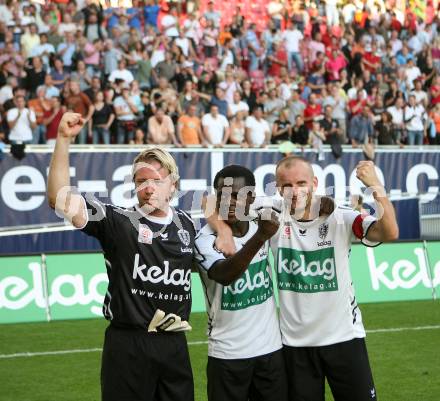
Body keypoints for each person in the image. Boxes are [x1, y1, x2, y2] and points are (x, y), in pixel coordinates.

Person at [213, 156, 399, 401]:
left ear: (314, 183)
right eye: (286, 185)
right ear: (278, 188)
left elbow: (390, 232)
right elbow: (214, 202)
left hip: (345, 339)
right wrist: (224, 229)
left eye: (301, 183)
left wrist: (375, 185)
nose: (294, 191)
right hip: (295, 346)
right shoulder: (271, 212)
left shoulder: (342, 216)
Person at [47, 113, 196, 401]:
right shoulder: (117, 221)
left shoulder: (189, 225)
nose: (148, 187)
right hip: (128, 344)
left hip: (174, 345)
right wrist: (64, 139)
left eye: (156, 180)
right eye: (141, 181)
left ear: (173, 184)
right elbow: (59, 199)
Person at [195, 165, 287, 401]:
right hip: (227, 355)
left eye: (237, 195)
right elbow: (225, 275)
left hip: (271, 351)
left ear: (252, 198)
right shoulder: (205, 239)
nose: (230, 201)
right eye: (224, 195)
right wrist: (259, 238)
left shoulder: (263, 219)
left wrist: (328, 203)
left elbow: (303, 203)